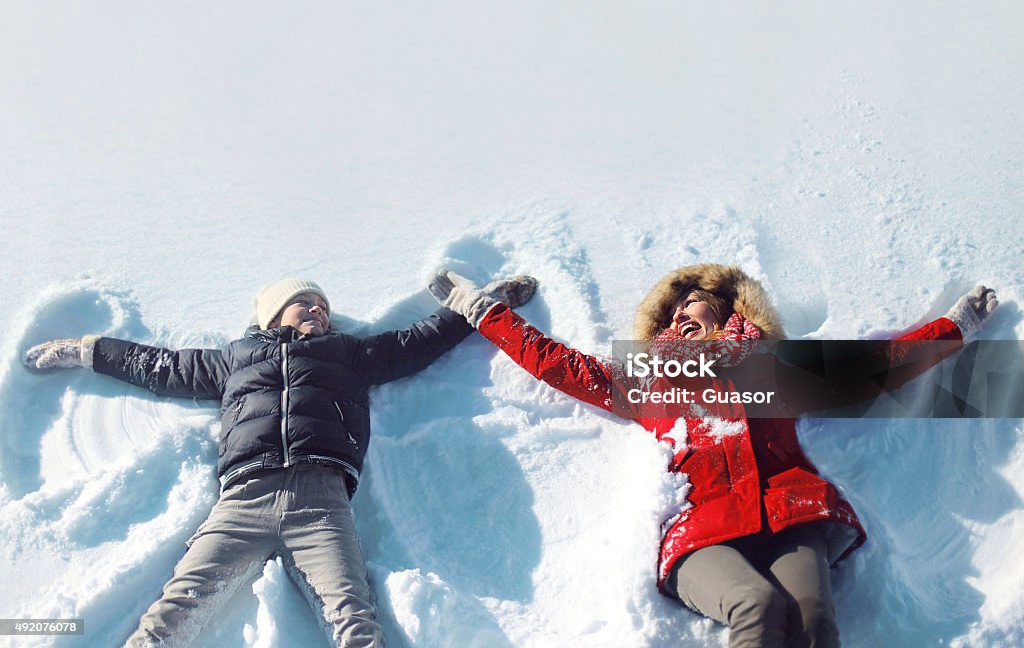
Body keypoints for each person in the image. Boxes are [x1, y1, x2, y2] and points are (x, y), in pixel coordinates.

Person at [428, 264, 998, 648]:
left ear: (727, 311)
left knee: (814, 617)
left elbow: (881, 364)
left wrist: (958, 326)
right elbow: (556, 363)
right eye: (671, 313)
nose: (681, 314)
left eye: (693, 303)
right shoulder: (653, 385)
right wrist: (481, 309)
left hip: (790, 513)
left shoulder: (775, 372)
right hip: (703, 534)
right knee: (756, 605)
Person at [24, 275, 537, 648]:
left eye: (322, 306)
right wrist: (83, 350)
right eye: (304, 304)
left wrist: (483, 301)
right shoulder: (233, 359)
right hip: (242, 501)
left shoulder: (349, 353)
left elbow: (419, 341)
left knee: (354, 621)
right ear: (272, 316)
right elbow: (158, 366)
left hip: (322, 504)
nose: (318, 311)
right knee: (175, 610)